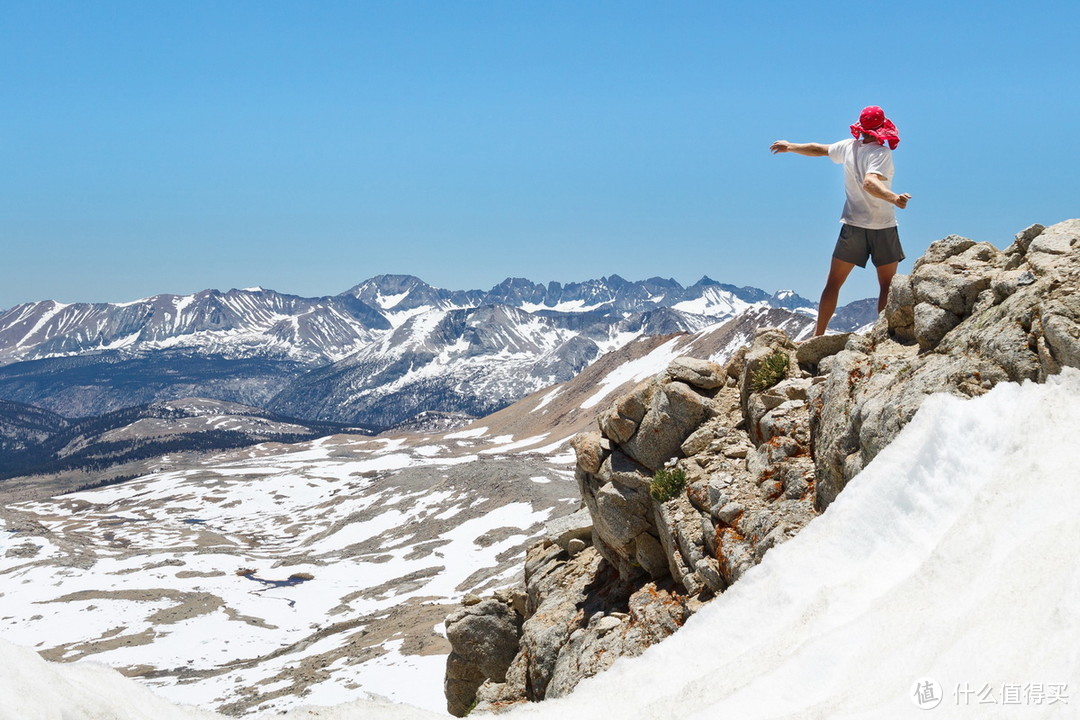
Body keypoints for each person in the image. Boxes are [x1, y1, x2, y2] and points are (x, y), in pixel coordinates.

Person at [770, 105, 912, 336]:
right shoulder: (880, 153)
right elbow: (870, 183)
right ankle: (884, 336)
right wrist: (894, 197)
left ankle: (818, 335)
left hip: (853, 225)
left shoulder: (848, 147)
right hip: (883, 225)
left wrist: (791, 147)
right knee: (887, 285)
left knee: (833, 283)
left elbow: (820, 149)